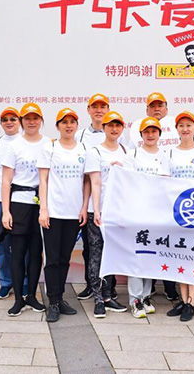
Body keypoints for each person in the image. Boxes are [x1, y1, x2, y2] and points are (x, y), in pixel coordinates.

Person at [37, 108, 88, 323]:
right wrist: (44, 209)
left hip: (74, 213)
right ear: (57, 126)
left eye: (72, 122)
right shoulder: (50, 148)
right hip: (54, 213)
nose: (68, 126)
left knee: (65, 259)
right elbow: (43, 180)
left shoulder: (84, 149)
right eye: (64, 122)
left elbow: (87, 181)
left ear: (77, 125)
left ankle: (60, 298)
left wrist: (84, 207)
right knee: (52, 259)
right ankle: (53, 302)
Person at [0, 103, 48, 316]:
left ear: (41, 121)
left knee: (36, 253)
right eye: (27, 118)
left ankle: (32, 296)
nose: (31, 122)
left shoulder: (49, 144)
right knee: (17, 253)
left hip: (42, 205)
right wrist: (6, 211)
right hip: (19, 203)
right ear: (21, 121)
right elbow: (5, 181)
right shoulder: (14, 146)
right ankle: (18, 298)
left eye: (35, 118)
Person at [123, 117, 171, 318]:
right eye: (147, 131)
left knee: (150, 256)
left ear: (159, 134)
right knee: (136, 256)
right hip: (136, 212)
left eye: (154, 131)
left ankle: (145, 296)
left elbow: (164, 183)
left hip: (156, 214)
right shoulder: (132, 154)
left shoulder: (165, 156)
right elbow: (129, 182)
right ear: (141, 134)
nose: (150, 135)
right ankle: (135, 300)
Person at [166, 111, 194, 322]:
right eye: (181, 125)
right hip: (175, 213)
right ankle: (184, 301)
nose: (185, 129)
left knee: (193, 259)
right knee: (179, 258)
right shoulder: (169, 152)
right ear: (176, 129)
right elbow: (166, 183)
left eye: (189, 125)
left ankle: (191, 302)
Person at [85, 110, 129, 318]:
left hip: (118, 212)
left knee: (111, 254)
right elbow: (95, 182)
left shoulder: (127, 152)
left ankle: (108, 296)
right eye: (110, 125)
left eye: (118, 125)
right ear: (103, 127)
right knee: (96, 254)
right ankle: (98, 299)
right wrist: (96, 210)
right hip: (99, 211)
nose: (114, 129)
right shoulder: (95, 152)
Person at [76, 93, 110, 300]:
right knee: (89, 246)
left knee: (108, 247)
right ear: (88, 110)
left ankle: (107, 288)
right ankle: (91, 284)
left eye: (102, 107)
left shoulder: (116, 134)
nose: (99, 110)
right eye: (95, 107)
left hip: (109, 202)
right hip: (84, 199)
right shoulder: (80, 136)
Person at [0, 107, 21, 299]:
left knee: (23, 245)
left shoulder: (26, 141)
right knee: (3, 245)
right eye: (5, 119)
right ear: (1, 123)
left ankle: (24, 283)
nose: (9, 122)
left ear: (19, 121)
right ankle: (6, 282)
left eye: (13, 119)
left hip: (22, 201)